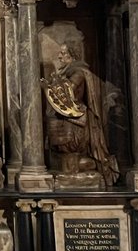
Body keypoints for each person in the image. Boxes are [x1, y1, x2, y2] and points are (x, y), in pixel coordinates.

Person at [45, 28, 117, 186]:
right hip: (68, 118)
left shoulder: (78, 72)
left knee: (70, 149)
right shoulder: (68, 71)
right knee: (64, 152)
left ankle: (79, 169)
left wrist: (53, 83)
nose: (59, 56)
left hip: (76, 119)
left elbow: (68, 91)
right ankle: (72, 168)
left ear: (72, 55)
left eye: (63, 53)